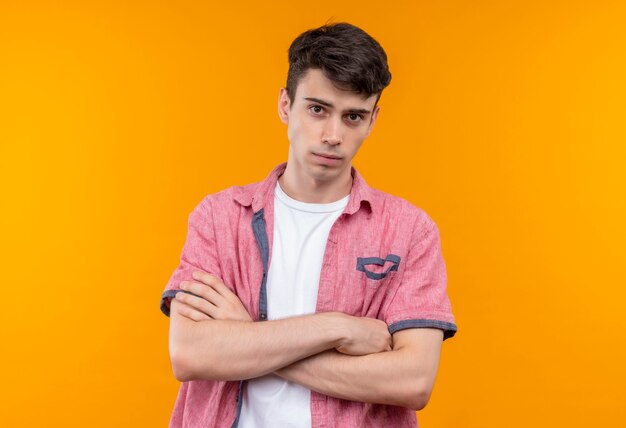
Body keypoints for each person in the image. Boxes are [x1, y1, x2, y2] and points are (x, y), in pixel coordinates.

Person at [160, 22, 458, 428]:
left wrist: (247, 337)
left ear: (373, 120)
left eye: (353, 116)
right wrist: (336, 328)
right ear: (286, 104)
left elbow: (413, 381)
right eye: (317, 109)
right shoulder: (219, 217)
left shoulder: (409, 231)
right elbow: (191, 355)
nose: (333, 135)